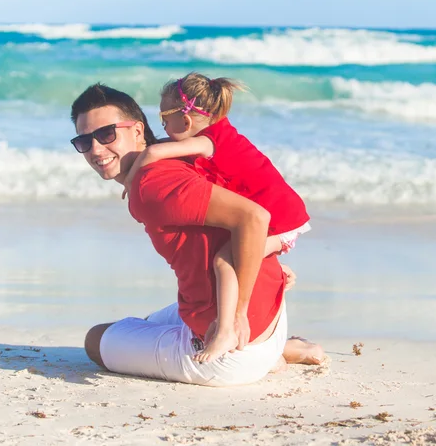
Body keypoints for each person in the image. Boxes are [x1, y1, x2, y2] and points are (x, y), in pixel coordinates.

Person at [70, 83, 324, 387]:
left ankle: (268, 354)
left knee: (96, 339)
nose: (96, 149)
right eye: (84, 141)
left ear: (138, 131)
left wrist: (237, 315)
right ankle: (279, 349)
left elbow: (254, 217)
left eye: (106, 134)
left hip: (233, 351)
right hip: (270, 313)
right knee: (146, 323)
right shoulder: (180, 155)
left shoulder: (151, 184)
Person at [122, 72, 311, 363]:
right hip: (286, 220)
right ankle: (295, 348)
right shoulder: (221, 132)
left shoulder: (209, 142)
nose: (162, 128)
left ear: (185, 122)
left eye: (164, 120)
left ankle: (231, 326)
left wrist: (130, 181)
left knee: (224, 262)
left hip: (280, 222)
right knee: (238, 254)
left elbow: (155, 152)